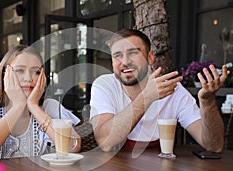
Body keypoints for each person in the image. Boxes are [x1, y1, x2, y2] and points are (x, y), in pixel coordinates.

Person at [90, 29, 229, 153]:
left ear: (150, 57)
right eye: (117, 55)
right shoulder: (104, 85)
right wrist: (147, 97)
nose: (125, 61)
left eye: (133, 53)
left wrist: (207, 101)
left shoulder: (172, 88)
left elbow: (214, 146)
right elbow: (105, 143)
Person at [0, 45, 81, 160]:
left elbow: (73, 147)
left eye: (36, 72)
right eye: (20, 71)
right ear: (4, 75)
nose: (28, 78)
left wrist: (34, 107)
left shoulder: (50, 107)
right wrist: (18, 106)